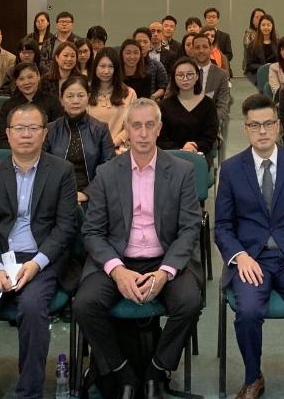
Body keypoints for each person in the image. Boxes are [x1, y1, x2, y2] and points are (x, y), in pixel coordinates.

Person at [74, 99, 204, 398]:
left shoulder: (182, 171)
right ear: (127, 130)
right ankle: (123, 373)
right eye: (136, 126)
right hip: (117, 259)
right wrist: (117, 271)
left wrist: (165, 272)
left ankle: (156, 371)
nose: (143, 133)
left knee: (189, 302)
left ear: (159, 129)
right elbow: (92, 231)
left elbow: (189, 229)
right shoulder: (107, 173)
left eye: (149, 125)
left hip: (164, 257)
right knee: (85, 304)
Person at [215, 94, 284, 399]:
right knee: (248, 311)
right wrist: (240, 257)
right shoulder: (231, 169)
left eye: (268, 123)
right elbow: (223, 226)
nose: (262, 131)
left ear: (278, 125)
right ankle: (253, 377)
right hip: (252, 259)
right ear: (246, 128)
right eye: (255, 125)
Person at [0, 102, 78, 399]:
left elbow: (66, 226)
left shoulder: (62, 171)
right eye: (19, 128)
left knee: (32, 308)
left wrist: (37, 263)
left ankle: (29, 392)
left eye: (33, 128)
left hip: (42, 259)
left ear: (44, 133)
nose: (26, 135)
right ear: (8, 134)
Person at [46, 76, 116, 202]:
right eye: (70, 96)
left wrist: (87, 193)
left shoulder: (100, 129)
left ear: (88, 97)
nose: (75, 101)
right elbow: (42, 166)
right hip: (55, 193)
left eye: (80, 95)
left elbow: (109, 167)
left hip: (92, 194)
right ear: (61, 100)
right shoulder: (50, 130)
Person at [159, 58, 219, 157]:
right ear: (174, 78)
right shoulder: (164, 105)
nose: (185, 79)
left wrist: (193, 148)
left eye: (190, 74)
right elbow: (161, 137)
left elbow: (209, 135)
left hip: (200, 154)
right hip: (172, 155)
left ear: (197, 76)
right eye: (180, 75)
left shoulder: (208, 104)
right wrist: (181, 150)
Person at [0, 63, 66, 149]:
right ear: (16, 82)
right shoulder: (8, 105)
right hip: (15, 152)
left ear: (38, 76)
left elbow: (59, 133)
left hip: (46, 151)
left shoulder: (52, 102)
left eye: (30, 77)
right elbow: (2, 138)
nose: (26, 82)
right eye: (21, 79)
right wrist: (18, 151)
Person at [88, 48, 137, 151]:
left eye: (111, 66)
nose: (106, 71)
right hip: (90, 150)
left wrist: (111, 144)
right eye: (102, 66)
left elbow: (132, 124)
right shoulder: (86, 93)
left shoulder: (129, 93)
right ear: (95, 67)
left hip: (119, 150)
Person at [190, 33, 232, 122]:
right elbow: (170, 99)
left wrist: (207, 122)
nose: (201, 50)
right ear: (192, 50)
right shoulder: (181, 71)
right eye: (197, 47)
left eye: (205, 47)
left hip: (211, 122)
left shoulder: (222, 75)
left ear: (211, 48)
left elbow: (223, 107)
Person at [123, 38, 163, 102]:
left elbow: (144, 102)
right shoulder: (116, 75)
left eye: (136, 53)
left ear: (140, 55)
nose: (132, 56)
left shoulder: (146, 76)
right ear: (122, 54)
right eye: (128, 53)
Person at [133, 29, 170, 99]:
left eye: (145, 42)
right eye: (138, 42)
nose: (142, 45)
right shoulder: (126, 65)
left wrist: (153, 97)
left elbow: (163, 87)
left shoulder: (157, 65)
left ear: (150, 44)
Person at [244, 14, 278, 83]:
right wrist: (265, 67)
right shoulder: (252, 45)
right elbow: (249, 65)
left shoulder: (278, 43)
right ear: (259, 26)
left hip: (276, 75)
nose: (266, 27)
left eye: (268, 25)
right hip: (257, 76)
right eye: (263, 25)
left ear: (272, 26)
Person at [242, 8, 266, 77]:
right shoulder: (249, 32)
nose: (259, 19)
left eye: (261, 17)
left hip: (268, 66)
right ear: (252, 20)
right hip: (252, 67)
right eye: (257, 17)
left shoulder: (272, 32)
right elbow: (247, 46)